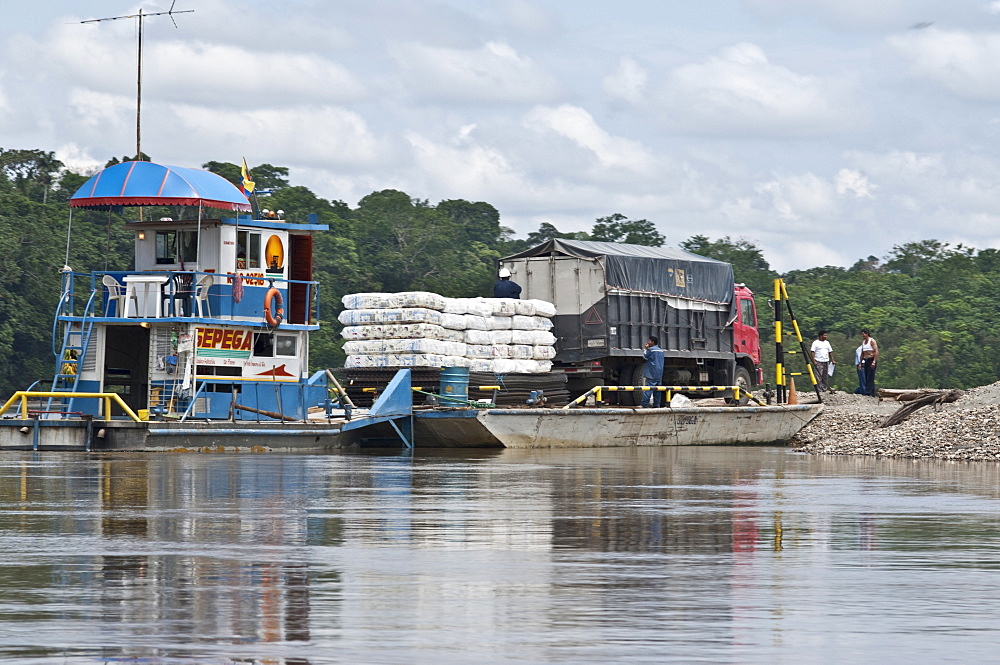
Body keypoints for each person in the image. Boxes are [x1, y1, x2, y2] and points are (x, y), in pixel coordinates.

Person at [641, 336, 665, 408]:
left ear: (652, 342)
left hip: (651, 373)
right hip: (659, 372)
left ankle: (644, 404)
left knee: (648, 389)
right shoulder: (661, 351)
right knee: (658, 390)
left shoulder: (651, 350)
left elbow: (645, 356)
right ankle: (657, 404)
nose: (648, 342)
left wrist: (645, 349)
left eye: (649, 341)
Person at [860, 329, 879, 397]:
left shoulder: (872, 341)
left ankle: (868, 391)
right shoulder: (863, 342)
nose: (862, 336)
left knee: (870, 376)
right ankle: (872, 392)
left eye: (863, 334)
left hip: (871, 359)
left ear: (867, 333)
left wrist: (874, 361)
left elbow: (876, 351)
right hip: (866, 360)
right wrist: (860, 362)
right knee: (866, 375)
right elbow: (862, 353)